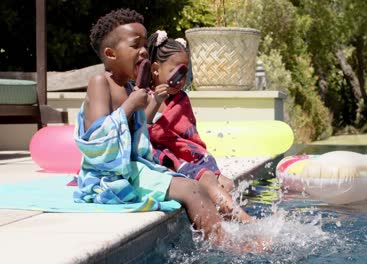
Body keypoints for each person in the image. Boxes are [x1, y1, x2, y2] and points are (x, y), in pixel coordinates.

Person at [72, 9, 261, 249]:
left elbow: (138, 139)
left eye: (144, 44)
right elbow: (96, 140)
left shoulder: (130, 88)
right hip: (108, 177)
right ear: (110, 53)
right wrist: (131, 106)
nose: (143, 51)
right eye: (135, 45)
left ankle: (227, 236)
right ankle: (228, 246)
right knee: (191, 190)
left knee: (199, 184)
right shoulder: (101, 83)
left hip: (133, 169)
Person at [144, 30, 251, 223]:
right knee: (208, 180)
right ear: (155, 69)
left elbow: (188, 137)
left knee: (227, 184)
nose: (181, 80)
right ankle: (247, 223)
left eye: (184, 73)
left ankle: (227, 227)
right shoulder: (146, 97)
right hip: (167, 158)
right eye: (175, 73)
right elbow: (142, 128)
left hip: (189, 157)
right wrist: (155, 102)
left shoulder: (181, 99)